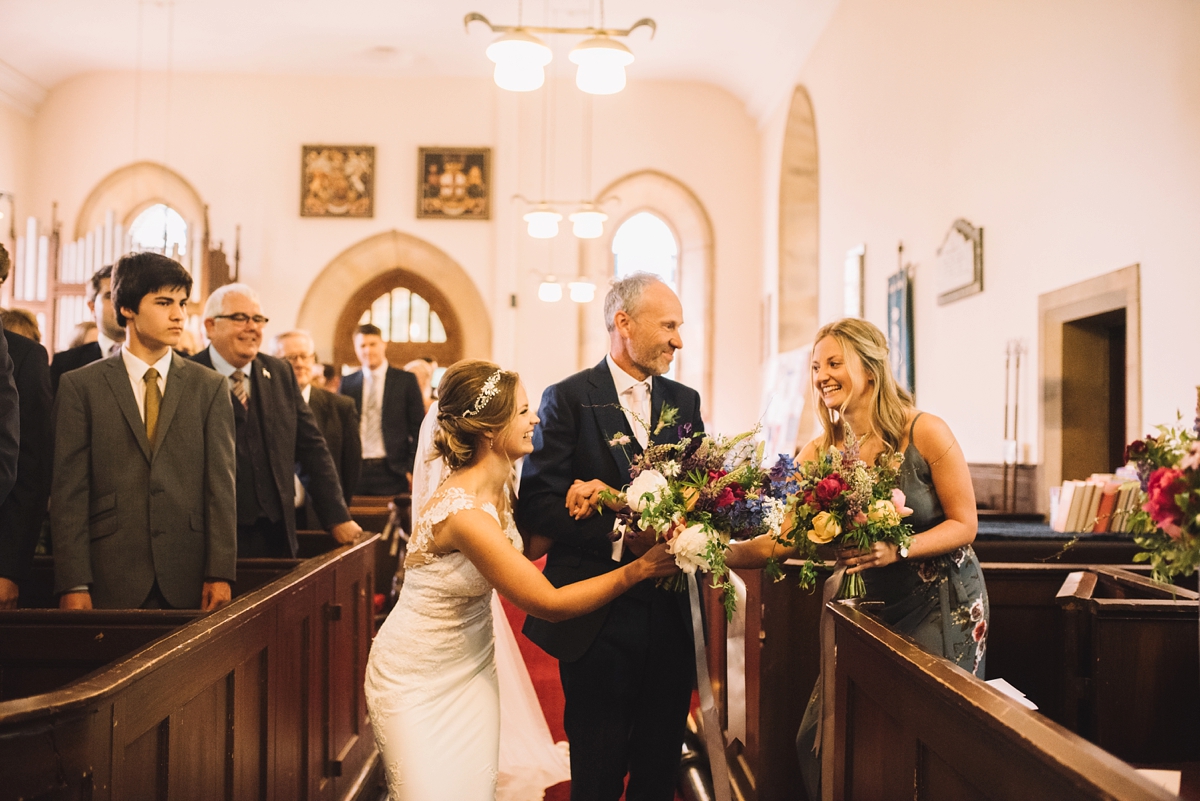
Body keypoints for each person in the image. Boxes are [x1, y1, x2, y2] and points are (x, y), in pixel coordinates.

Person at [365, 360, 679, 801]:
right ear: (490, 431)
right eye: (523, 411)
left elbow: (519, 548)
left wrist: (596, 497)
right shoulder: (464, 514)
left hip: (471, 666)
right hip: (417, 672)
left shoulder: (501, 485)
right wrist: (638, 569)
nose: (536, 419)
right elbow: (546, 601)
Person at [725, 317, 988, 800]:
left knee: (929, 739)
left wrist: (899, 546)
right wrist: (720, 552)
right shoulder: (819, 453)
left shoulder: (923, 431)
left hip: (941, 602)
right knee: (819, 738)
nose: (822, 374)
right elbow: (786, 540)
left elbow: (964, 524)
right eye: (815, 366)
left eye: (833, 362)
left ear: (869, 367)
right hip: (870, 608)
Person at [517, 273, 705, 801]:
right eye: (668, 325)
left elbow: (703, 492)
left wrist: (691, 524)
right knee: (597, 770)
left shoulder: (684, 402)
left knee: (658, 764)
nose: (678, 340)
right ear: (624, 322)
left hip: (670, 612)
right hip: (596, 615)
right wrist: (624, 535)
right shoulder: (570, 398)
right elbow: (539, 503)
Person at [51, 252, 236, 610]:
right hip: (109, 572)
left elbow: (221, 489)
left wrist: (220, 572)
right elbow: (69, 493)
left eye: (182, 303)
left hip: (189, 571)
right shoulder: (81, 386)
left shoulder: (208, 387)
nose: (178, 314)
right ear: (127, 310)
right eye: (164, 302)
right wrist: (73, 581)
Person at [193, 284, 361, 557]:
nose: (252, 327)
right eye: (240, 318)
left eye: (258, 319)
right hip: (212, 539)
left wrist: (337, 517)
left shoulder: (279, 372)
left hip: (276, 535)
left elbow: (311, 449)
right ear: (210, 326)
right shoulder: (190, 375)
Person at [272, 330, 361, 510]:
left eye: (305, 357)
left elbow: (350, 469)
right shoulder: (263, 405)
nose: (300, 364)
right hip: (276, 515)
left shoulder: (341, 407)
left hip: (321, 515)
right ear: (273, 363)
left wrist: (337, 512)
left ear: (313, 360)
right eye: (290, 358)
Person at [340, 324, 424, 496]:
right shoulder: (348, 383)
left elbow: (419, 428)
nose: (367, 350)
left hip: (392, 469)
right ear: (356, 348)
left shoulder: (405, 381)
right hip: (356, 469)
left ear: (383, 344)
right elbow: (339, 428)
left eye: (373, 344)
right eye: (362, 346)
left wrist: (411, 468)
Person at [51, 264, 125, 393]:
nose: (120, 304)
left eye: (125, 296)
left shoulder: (156, 358)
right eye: (110, 296)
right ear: (92, 307)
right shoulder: (66, 364)